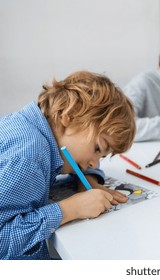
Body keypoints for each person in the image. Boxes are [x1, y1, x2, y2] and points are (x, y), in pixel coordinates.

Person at [0, 71, 136, 259]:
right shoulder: (29, 156)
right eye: (98, 148)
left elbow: (81, 153)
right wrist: (69, 210)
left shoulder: (34, 125)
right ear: (69, 116)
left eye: (103, 157)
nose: (94, 163)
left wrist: (89, 179)